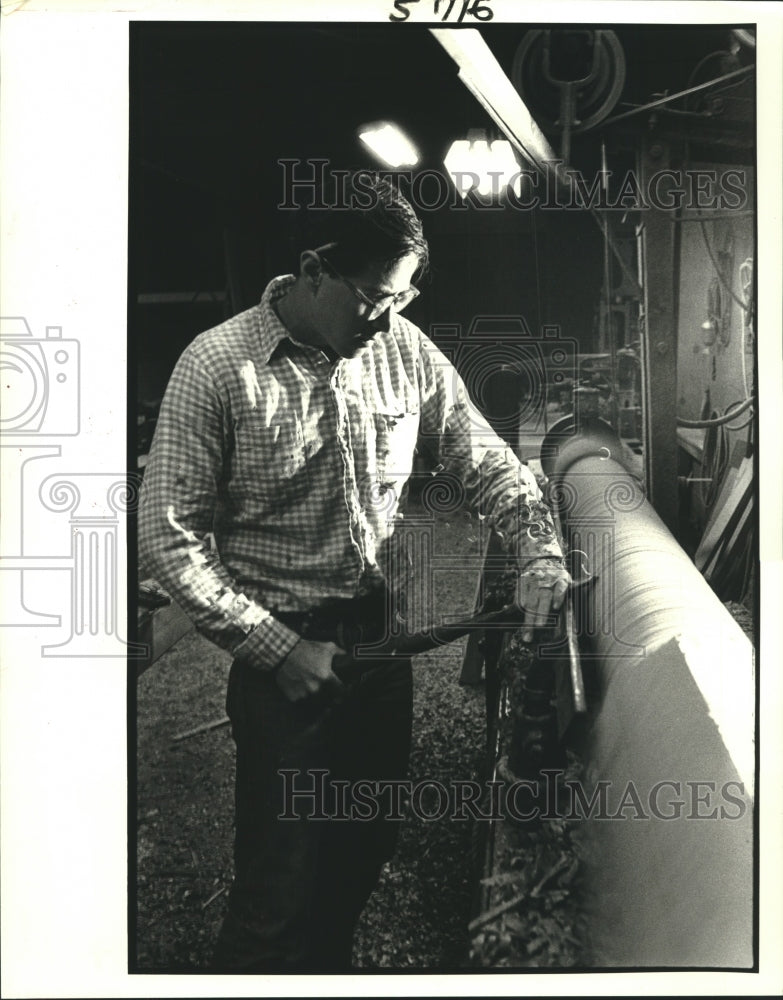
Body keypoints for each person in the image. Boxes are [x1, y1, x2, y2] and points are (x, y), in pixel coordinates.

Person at [138, 172, 570, 972]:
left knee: (366, 849)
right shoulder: (218, 369)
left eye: (403, 299)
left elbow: (485, 460)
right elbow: (167, 543)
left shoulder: (400, 347)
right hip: (283, 666)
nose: (388, 319)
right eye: (374, 298)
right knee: (279, 886)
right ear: (313, 270)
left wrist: (538, 546)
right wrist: (277, 651)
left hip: (380, 647)